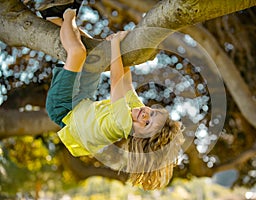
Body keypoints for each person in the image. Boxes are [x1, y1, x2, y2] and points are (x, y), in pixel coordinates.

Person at [44, 4, 184, 190]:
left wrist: (115, 45)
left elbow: (116, 81)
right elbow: (126, 82)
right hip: (81, 101)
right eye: (152, 113)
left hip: (62, 109)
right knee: (97, 54)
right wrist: (121, 53)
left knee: (77, 53)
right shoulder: (136, 111)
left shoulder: (123, 122)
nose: (145, 115)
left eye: (147, 124)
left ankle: (69, 13)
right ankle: (54, 20)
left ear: (139, 137)